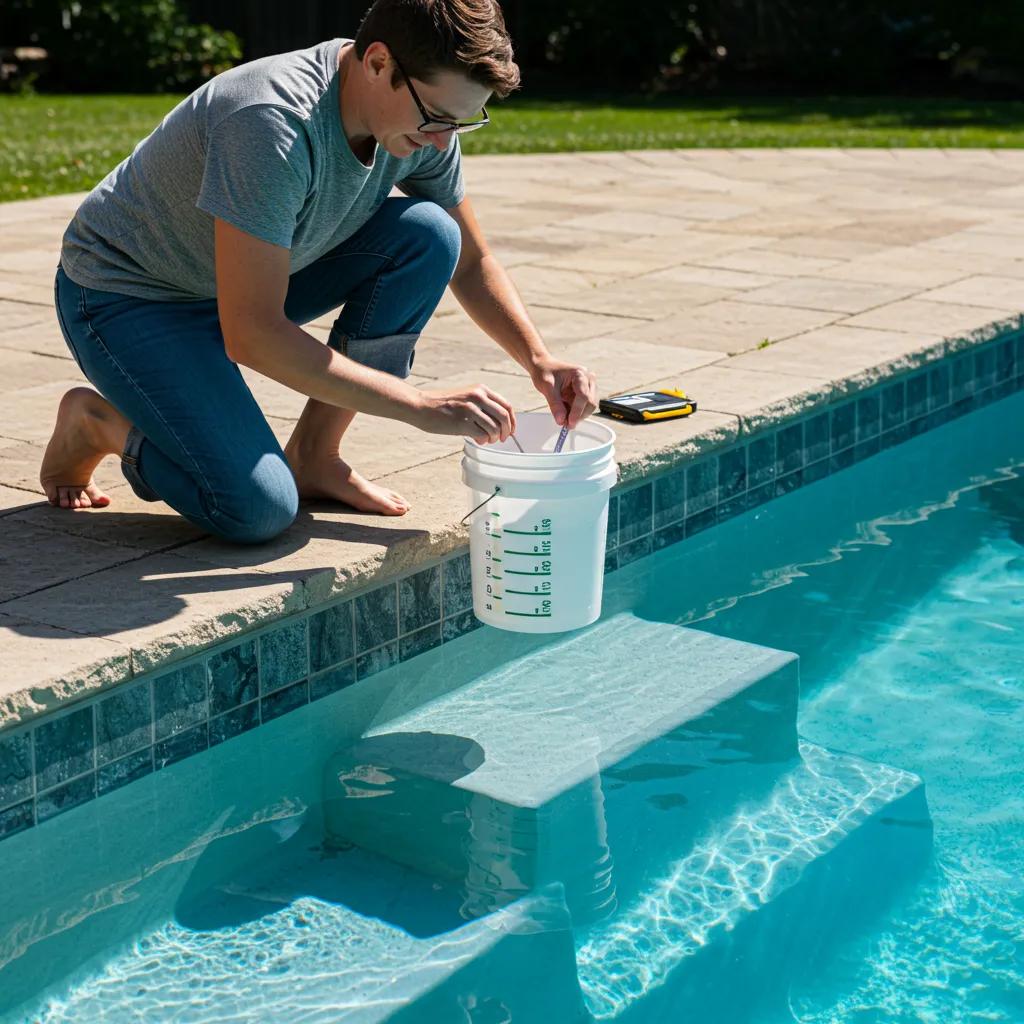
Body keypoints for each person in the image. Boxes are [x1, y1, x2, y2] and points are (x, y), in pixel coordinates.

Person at [41, 0, 598, 543]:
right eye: (436, 118)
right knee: (254, 509)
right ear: (378, 63)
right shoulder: (270, 122)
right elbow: (252, 334)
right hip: (128, 296)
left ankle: (314, 455)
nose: (442, 141)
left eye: (461, 123)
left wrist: (539, 358)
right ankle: (96, 423)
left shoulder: (422, 123)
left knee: (429, 235)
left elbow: (473, 262)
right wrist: (421, 407)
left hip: (240, 282)